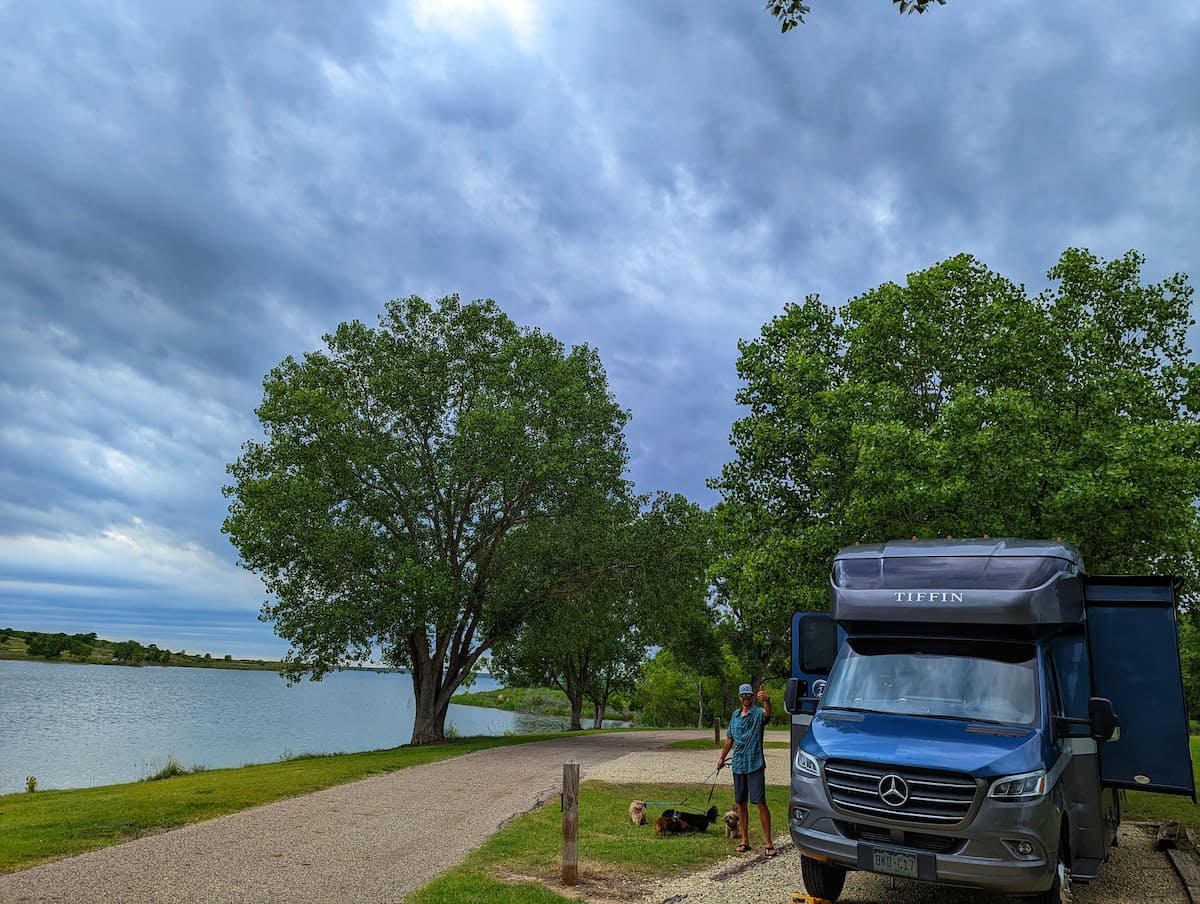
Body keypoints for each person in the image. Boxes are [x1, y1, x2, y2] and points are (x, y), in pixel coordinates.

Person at [717, 682, 775, 856]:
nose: (747, 699)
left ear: (752, 696)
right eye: (744, 696)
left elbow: (767, 715)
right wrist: (721, 758)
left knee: (760, 802)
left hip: (755, 763)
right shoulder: (735, 715)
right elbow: (729, 739)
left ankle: (768, 842)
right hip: (739, 764)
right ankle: (745, 840)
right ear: (740, 697)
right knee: (740, 803)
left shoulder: (758, 713)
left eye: (749, 695)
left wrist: (767, 701)